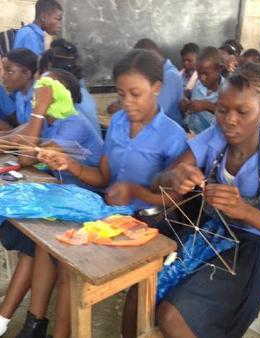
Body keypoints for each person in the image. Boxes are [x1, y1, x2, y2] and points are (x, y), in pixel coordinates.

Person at [148, 62, 260, 338]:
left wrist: (244, 211)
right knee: (143, 294)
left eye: (242, 111)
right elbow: (158, 182)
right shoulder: (214, 138)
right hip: (213, 234)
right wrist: (173, 177)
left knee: (172, 316)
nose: (229, 120)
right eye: (222, 110)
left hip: (255, 248)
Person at [33, 49, 189, 338]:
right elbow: (103, 177)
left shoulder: (173, 135)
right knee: (64, 256)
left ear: (157, 88)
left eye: (135, 94)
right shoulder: (117, 123)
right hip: (112, 214)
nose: (126, 103)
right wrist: (72, 165)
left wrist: (134, 191)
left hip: (149, 223)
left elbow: (173, 202)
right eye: (121, 94)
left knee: (75, 264)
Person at [0, 69, 103, 338]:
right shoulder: (50, 121)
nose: (38, 92)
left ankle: (23, 324)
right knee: (35, 244)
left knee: (39, 243)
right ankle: (31, 325)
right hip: (60, 199)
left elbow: (25, 159)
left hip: (83, 203)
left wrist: (39, 110)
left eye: (45, 88)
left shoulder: (73, 122)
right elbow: (13, 141)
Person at [39, 39, 102, 136]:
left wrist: (38, 109)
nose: (37, 78)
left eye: (42, 73)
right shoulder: (75, 91)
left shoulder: (70, 99)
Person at [133, 38, 184, 127]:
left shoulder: (169, 75)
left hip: (168, 132)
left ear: (152, 55)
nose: (142, 66)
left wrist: (126, 108)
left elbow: (158, 110)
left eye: (143, 62)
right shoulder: (157, 73)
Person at [180, 47, 225, 135]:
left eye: (206, 74)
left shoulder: (227, 91)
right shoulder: (198, 84)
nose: (202, 78)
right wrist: (186, 105)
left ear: (219, 69)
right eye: (199, 73)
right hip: (191, 132)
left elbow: (227, 118)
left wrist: (208, 106)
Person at [2, 48, 38, 127]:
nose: (4, 76)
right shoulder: (19, 95)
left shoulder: (39, 96)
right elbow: (22, 128)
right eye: (4, 71)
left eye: (10, 72)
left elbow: (34, 135)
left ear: (27, 74)